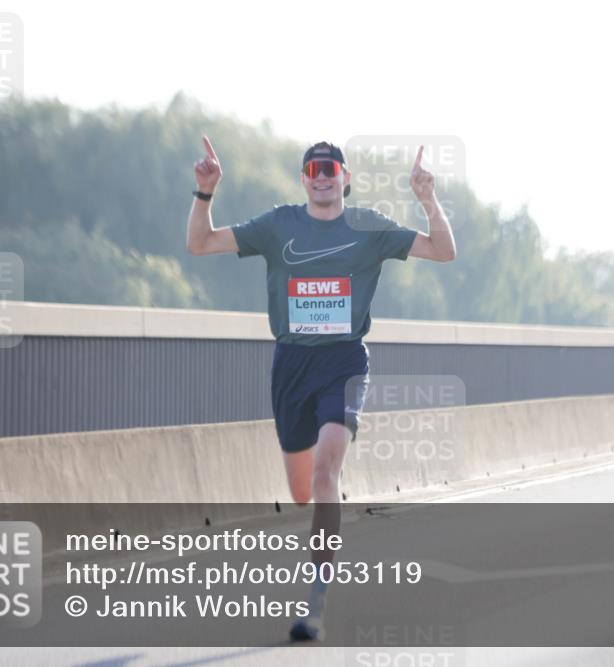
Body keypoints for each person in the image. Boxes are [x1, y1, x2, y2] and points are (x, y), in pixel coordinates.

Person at [186, 139, 456, 640]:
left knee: (327, 472)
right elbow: (200, 244)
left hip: (344, 361)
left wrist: (427, 198)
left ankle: (316, 601)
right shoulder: (278, 225)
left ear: (345, 177)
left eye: (331, 168)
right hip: (291, 364)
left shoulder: (369, 228)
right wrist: (205, 192)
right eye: (313, 169)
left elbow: (443, 251)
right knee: (301, 491)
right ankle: (319, 516)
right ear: (304, 180)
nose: (322, 175)